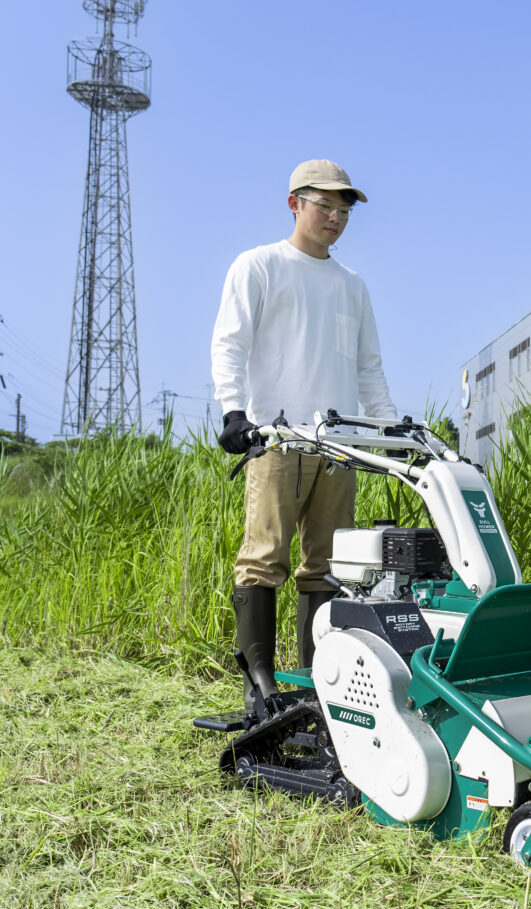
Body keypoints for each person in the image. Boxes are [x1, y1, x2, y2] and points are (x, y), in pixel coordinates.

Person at [210, 159, 396, 712]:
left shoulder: (352, 286)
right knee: (264, 556)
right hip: (277, 437)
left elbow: (369, 370)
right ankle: (259, 683)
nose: (335, 218)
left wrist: (388, 431)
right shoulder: (260, 266)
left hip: (338, 447)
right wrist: (233, 412)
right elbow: (230, 344)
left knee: (330, 567)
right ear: (295, 203)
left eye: (344, 210)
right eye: (325, 206)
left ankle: (318, 681)